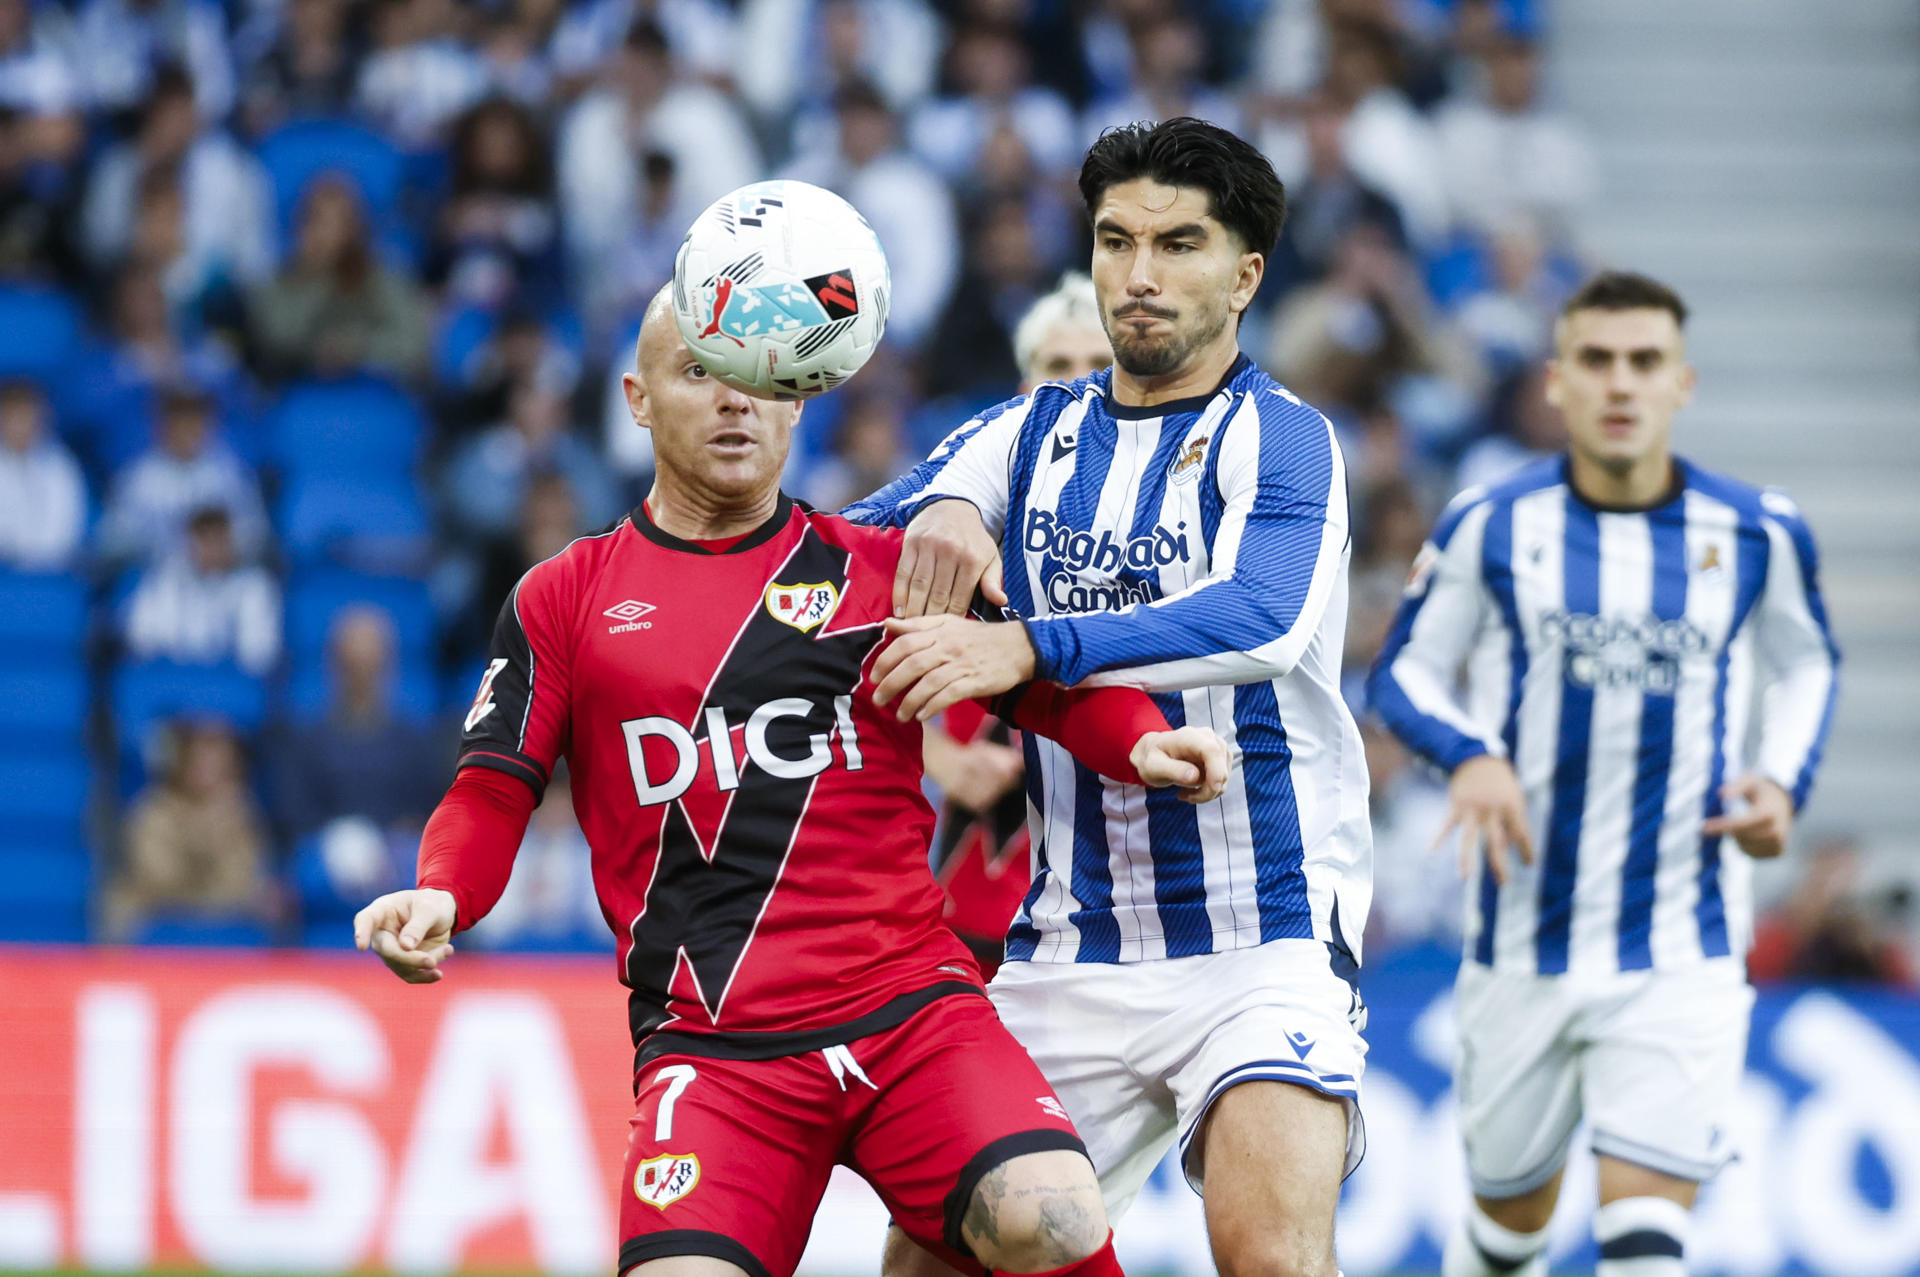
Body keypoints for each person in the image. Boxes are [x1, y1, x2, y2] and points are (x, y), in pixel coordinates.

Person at [354, 286, 1234, 1277]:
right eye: (701, 373)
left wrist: (1145, 743)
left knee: (1053, 1214)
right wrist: (445, 888)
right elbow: (491, 786)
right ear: (638, 398)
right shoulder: (565, 594)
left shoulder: (887, 568)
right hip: (715, 1047)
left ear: (798, 399)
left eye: (760, 379)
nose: (736, 403)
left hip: (909, 1010)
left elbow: (1043, 688)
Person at [844, 117, 1373, 1277]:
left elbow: (1263, 618)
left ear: (1244, 277)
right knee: (931, 1258)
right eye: (1115, 239)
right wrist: (938, 511)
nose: (1138, 275)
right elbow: (833, 551)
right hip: (1068, 939)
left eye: (1179, 244)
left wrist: (1033, 643)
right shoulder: (1025, 431)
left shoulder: (1285, 440)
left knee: (1269, 1251)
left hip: (1265, 929)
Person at [1366, 271, 1841, 1277]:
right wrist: (1471, 753)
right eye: (1597, 359)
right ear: (1559, 381)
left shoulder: (1755, 530)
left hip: (1684, 938)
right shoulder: (1491, 523)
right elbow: (1404, 668)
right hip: (1521, 937)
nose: (1621, 381)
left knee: (1645, 1243)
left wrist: (1782, 783)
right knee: (1507, 1233)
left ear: (1683, 382)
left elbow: (1810, 660)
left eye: (1644, 361)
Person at [923, 271, 1110, 976]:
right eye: (1056, 367)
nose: (1078, 384)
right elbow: (853, 659)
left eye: (1099, 363)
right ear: (1023, 389)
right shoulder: (965, 529)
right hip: (976, 915)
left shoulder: (1177, 532)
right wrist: (939, 758)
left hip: (1125, 912)